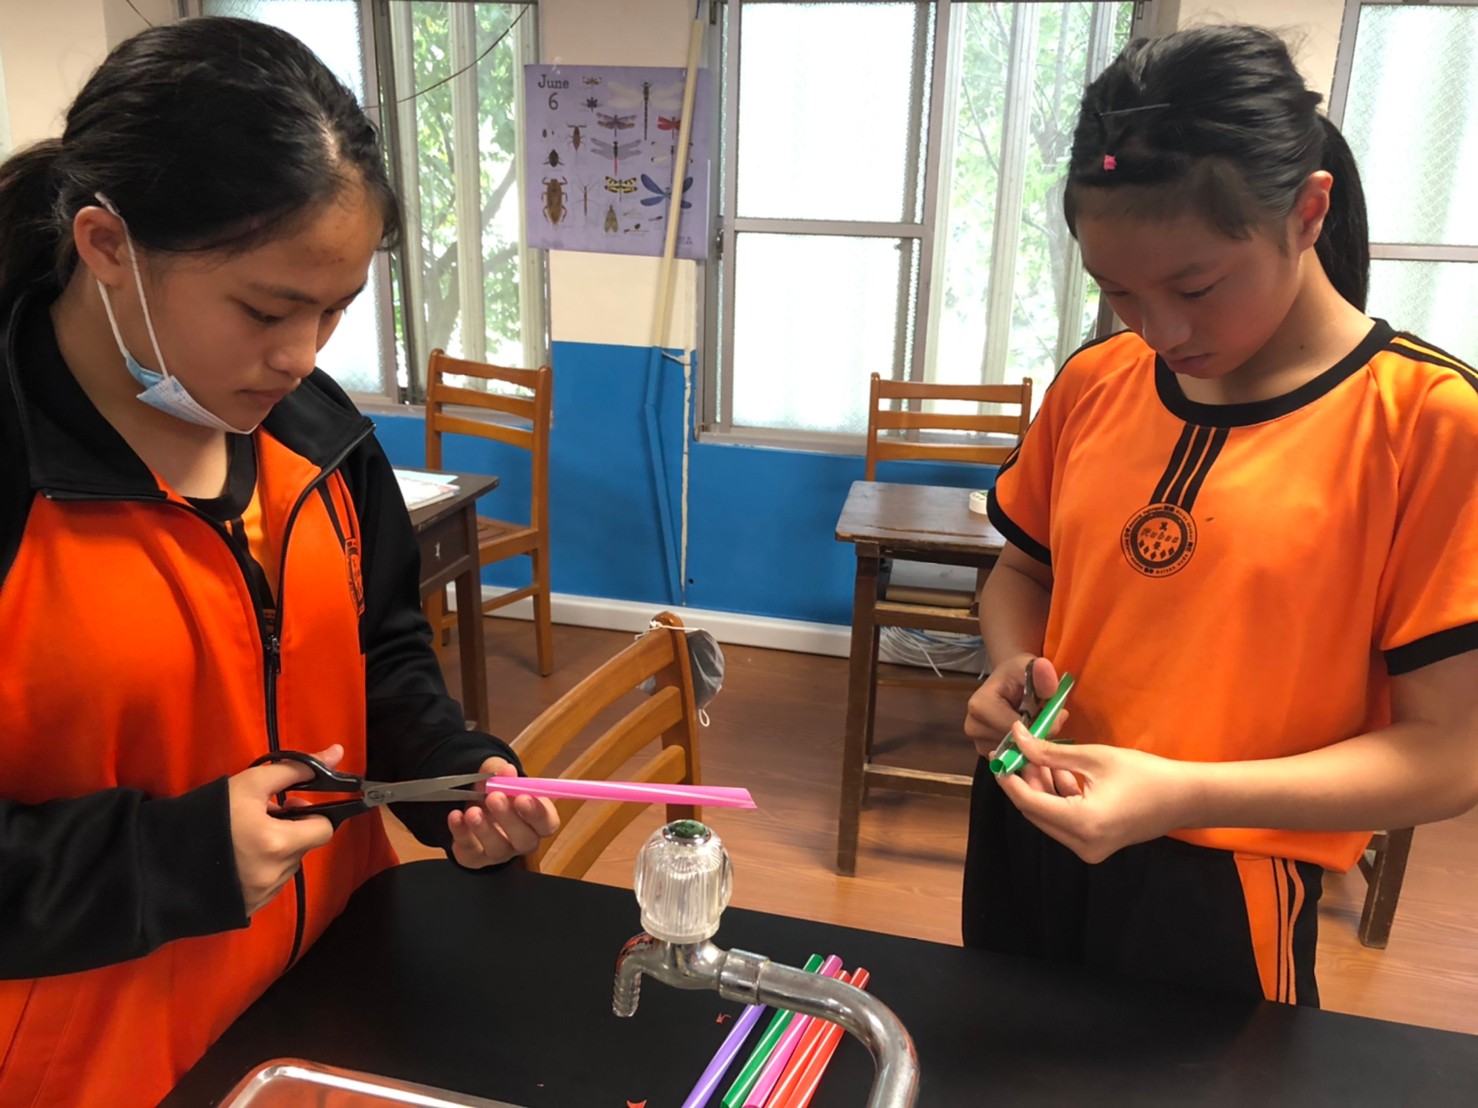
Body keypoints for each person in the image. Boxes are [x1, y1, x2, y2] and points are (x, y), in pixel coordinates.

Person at [0, 18, 558, 1104]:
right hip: (101, 1066)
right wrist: (167, 859)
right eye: (264, 309)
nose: (301, 356)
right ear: (107, 246)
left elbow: (378, 651)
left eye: (335, 311)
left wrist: (453, 780)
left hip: (327, 1013)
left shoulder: (318, 434)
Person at [962, 24, 1478, 1007]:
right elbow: (1023, 571)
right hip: (1031, 821)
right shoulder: (1096, 381)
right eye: (1116, 291)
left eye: (1194, 287)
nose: (1158, 330)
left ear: (1306, 212)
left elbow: (1448, 756)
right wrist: (1010, 667)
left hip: (1220, 879)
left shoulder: (1425, 422)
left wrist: (1184, 794)